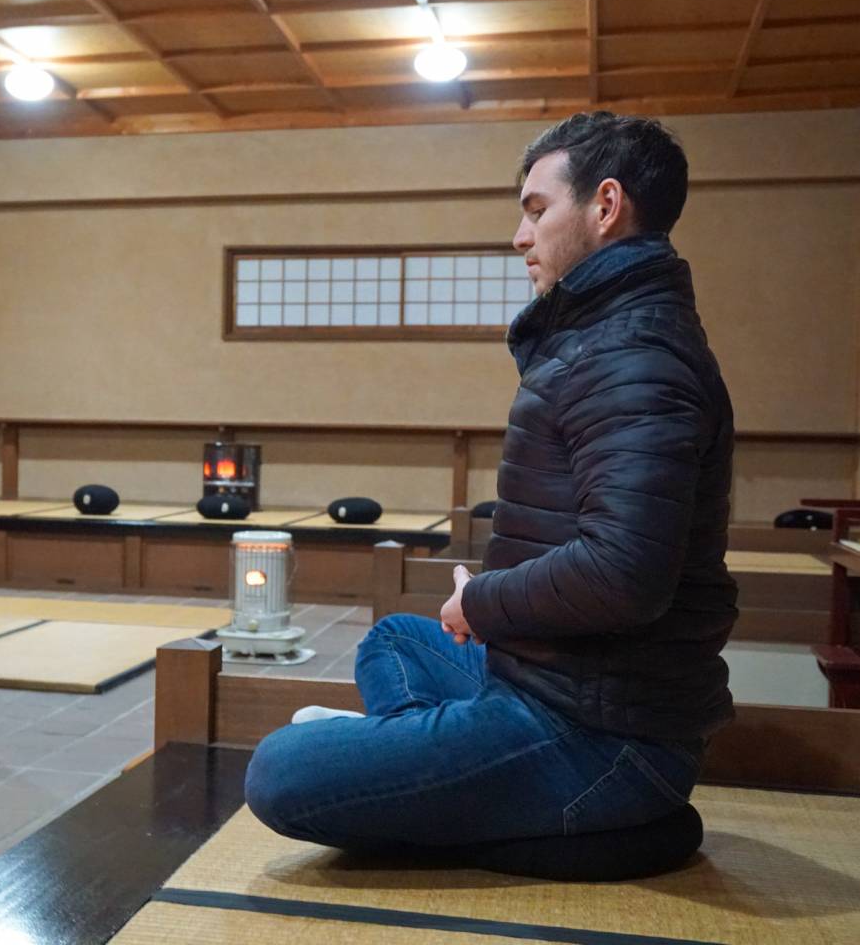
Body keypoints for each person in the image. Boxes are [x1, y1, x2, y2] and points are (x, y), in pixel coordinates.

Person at [245, 111, 738, 852]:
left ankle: (545, 811)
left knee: (280, 773)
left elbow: (626, 574)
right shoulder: (604, 336)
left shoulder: (636, 355)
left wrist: (482, 599)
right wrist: (494, 617)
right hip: (546, 679)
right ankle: (466, 793)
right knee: (396, 641)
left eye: (537, 210)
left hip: (604, 733)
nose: (520, 236)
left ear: (605, 207)